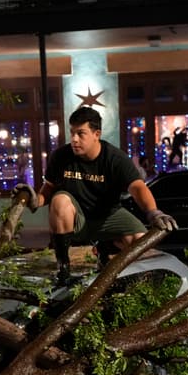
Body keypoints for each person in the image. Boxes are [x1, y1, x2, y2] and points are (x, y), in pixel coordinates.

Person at [18, 107, 176, 283]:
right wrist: (35, 200)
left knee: (140, 242)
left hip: (107, 216)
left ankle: (106, 250)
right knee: (60, 200)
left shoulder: (114, 158)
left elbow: (138, 187)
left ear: (96, 134)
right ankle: (63, 268)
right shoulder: (61, 157)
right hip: (76, 219)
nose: (74, 139)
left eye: (81, 133)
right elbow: (48, 189)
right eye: (72, 133)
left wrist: (153, 212)